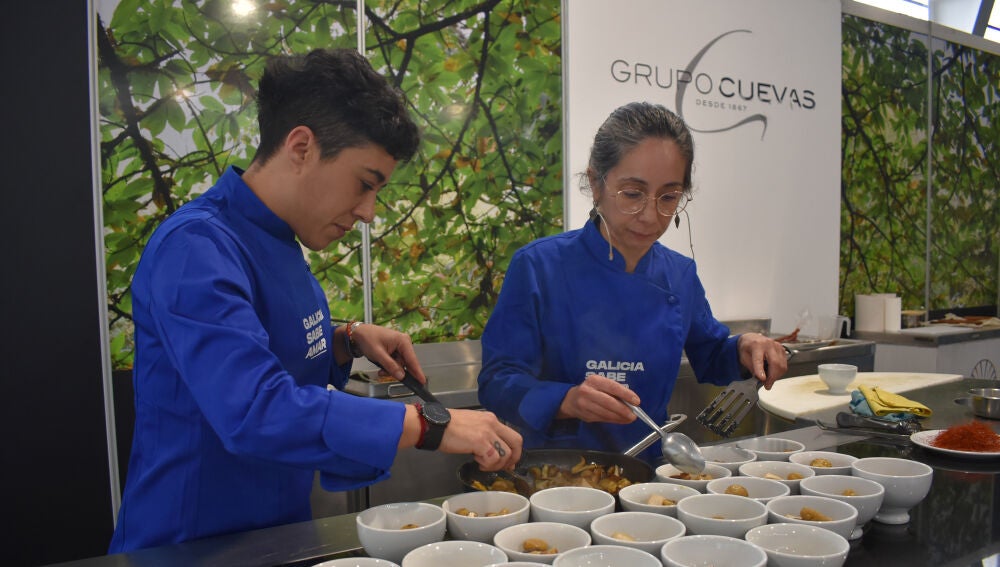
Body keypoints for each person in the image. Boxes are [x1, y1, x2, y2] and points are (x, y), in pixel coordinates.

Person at [110, 48, 522, 553]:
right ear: (301, 146)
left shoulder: (281, 242)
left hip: (276, 532)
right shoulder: (195, 248)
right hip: (189, 543)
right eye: (364, 184)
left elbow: (269, 349)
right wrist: (429, 425)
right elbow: (255, 408)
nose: (369, 212)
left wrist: (345, 342)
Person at [477, 101, 787, 463]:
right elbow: (497, 383)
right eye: (633, 194)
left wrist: (746, 347)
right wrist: (567, 400)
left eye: (669, 197)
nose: (650, 215)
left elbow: (712, 353)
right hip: (554, 478)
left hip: (646, 474)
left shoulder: (679, 274)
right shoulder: (538, 266)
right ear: (596, 183)